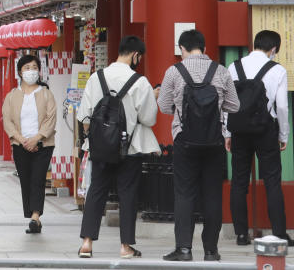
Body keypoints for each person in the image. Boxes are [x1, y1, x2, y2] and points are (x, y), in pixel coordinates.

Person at [158, 29, 240, 262]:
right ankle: (211, 251)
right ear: (204, 48)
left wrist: (183, 109)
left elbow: (163, 106)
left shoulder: (174, 71)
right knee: (213, 195)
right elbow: (234, 106)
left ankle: (184, 249)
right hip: (214, 141)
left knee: (184, 194)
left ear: (182, 48)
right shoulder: (221, 71)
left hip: (184, 141)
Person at [77, 36, 160, 258]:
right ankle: (125, 246)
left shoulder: (97, 78)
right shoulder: (140, 82)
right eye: (139, 57)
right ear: (135, 55)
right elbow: (149, 119)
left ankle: (87, 243)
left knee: (96, 191)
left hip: (101, 148)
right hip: (129, 148)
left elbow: (84, 116)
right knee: (128, 194)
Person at [228, 29, 290, 245]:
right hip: (265, 130)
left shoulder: (233, 67)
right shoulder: (277, 70)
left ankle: (241, 234)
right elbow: (281, 106)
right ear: (273, 49)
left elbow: (227, 104)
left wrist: (227, 133)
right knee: (272, 181)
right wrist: (283, 134)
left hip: (239, 131)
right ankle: (280, 233)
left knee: (239, 181)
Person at [1, 53, 57, 235]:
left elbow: (51, 118)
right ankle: (32, 214)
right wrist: (22, 139)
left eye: (34, 68)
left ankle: (35, 216)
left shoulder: (46, 94)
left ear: (39, 71)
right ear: (19, 72)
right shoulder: (12, 96)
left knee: (38, 179)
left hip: (43, 144)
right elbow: (7, 120)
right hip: (20, 144)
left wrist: (37, 138)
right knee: (25, 180)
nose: (31, 71)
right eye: (27, 68)